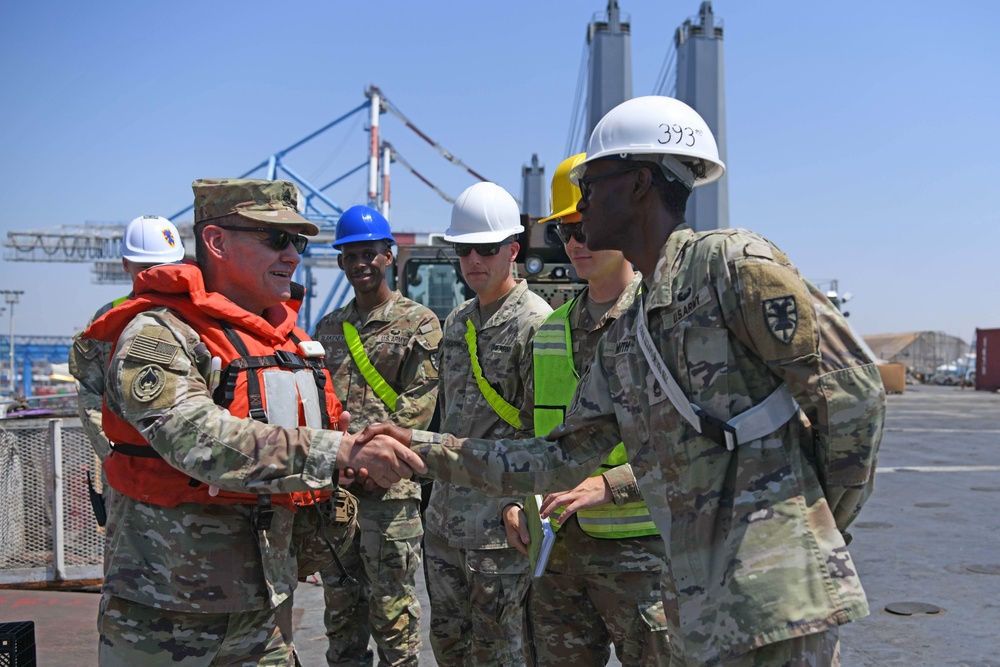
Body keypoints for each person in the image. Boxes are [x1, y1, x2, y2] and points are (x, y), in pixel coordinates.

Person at [360, 97, 886, 666]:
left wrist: (813, 525)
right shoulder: (629, 335)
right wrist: (420, 447)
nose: (580, 207)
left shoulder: (730, 266)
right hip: (698, 610)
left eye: (591, 186)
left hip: (780, 604)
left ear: (638, 184)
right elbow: (555, 459)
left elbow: (852, 392)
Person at [82, 178, 423, 666]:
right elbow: (198, 438)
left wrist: (338, 464)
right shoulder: (157, 335)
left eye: (299, 242)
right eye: (276, 239)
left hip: (263, 608)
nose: (293, 256)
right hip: (166, 614)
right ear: (217, 242)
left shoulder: (284, 342)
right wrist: (338, 451)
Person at [501, 153, 670, 665]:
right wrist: (515, 500)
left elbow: (691, 445)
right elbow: (532, 436)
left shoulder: (661, 322)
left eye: (583, 225)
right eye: (563, 233)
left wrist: (608, 485)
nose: (576, 242)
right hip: (558, 557)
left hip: (642, 556)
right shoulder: (549, 332)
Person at [424, 182, 551, 666]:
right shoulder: (458, 321)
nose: (474, 259)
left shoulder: (535, 324)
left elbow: (544, 433)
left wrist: (522, 502)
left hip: (499, 527)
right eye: (464, 249)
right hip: (445, 521)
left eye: (487, 248)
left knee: (501, 653)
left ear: (512, 251)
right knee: (449, 647)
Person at [313, 205, 441, 667]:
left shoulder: (419, 323)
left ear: (390, 256)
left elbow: (419, 405)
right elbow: (317, 408)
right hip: (339, 496)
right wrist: (335, 461)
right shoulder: (327, 329)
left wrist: (366, 458)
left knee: (394, 616)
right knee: (341, 616)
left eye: (370, 253)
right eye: (350, 255)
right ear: (341, 263)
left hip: (391, 496)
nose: (361, 263)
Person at [69, 215, 186, 471]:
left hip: (194, 469)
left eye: (162, 266)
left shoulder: (201, 311)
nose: (154, 275)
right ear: (126, 264)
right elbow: (90, 395)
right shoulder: (106, 320)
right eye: (146, 267)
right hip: (132, 468)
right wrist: (114, 458)